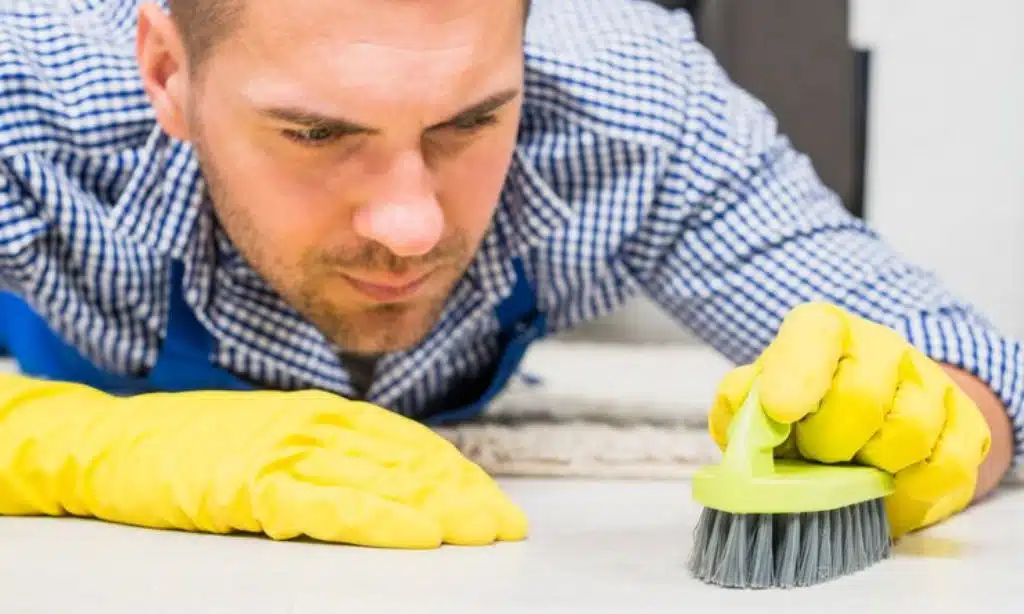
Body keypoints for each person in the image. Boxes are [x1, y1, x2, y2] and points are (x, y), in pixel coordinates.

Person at [0, 0, 1017, 549]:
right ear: (168, 73)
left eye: (470, 122)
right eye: (316, 134)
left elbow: (968, 358)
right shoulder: (27, 88)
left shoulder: (628, 98)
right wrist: (82, 445)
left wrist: (926, 424)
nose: (410, 226)